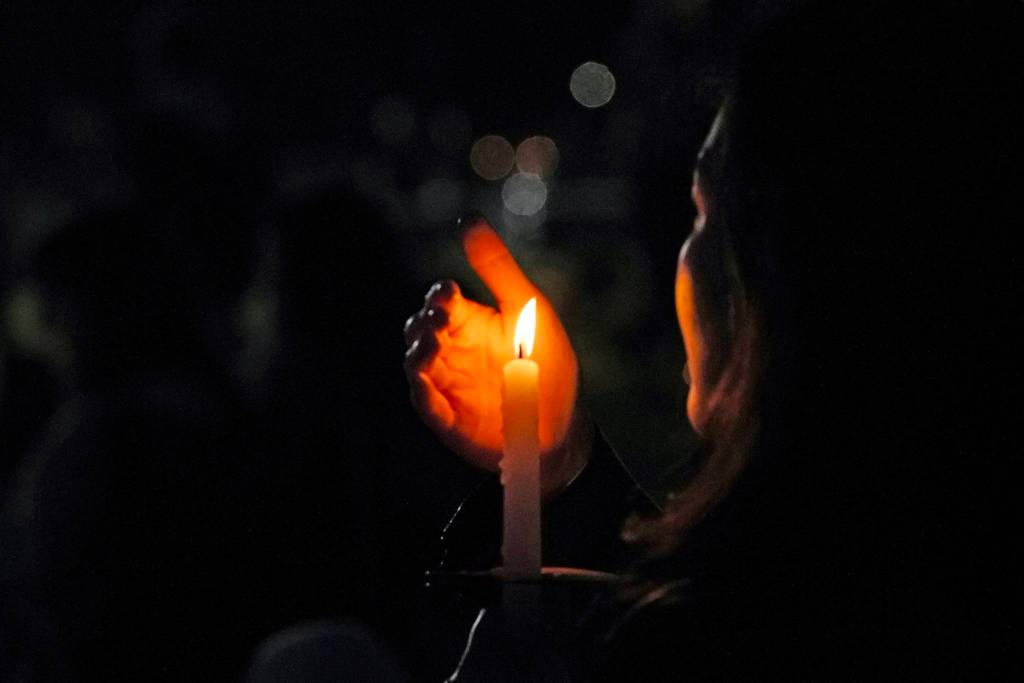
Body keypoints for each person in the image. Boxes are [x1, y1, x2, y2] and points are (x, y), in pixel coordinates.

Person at [403, 1, 1020, 678]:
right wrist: (559, 466)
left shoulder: (730, 628)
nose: (679, 254)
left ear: (780, 268)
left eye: (699, 213)